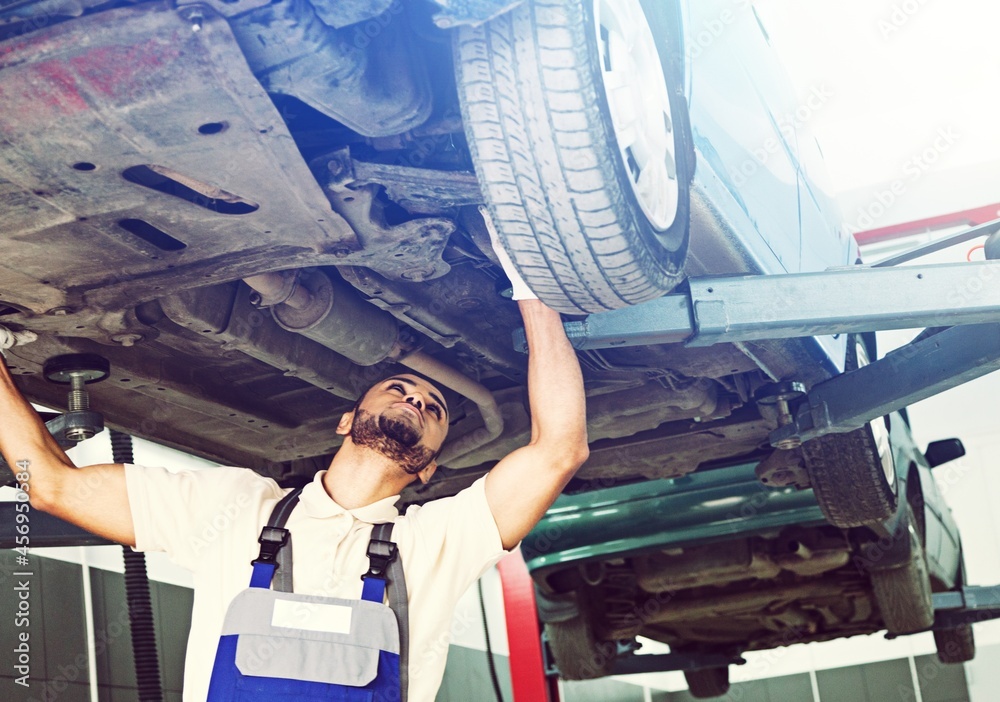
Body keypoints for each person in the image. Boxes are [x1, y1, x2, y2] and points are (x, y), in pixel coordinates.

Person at [0, 232, 589, 701]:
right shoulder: (233, 508)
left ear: (430, 468)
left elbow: (560, 449)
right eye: (400, 387)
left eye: (433, 409)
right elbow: (51, 486)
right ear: (344, 420)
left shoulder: (438, 542)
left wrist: (529, 283)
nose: (416, 400)